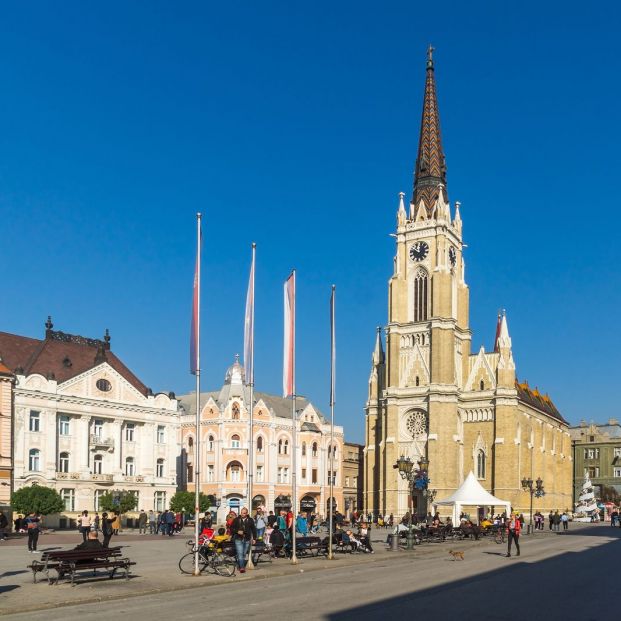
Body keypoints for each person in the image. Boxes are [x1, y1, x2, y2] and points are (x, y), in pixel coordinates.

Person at [231, 507, 256, 573]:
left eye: (244, 513)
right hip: (238, 539)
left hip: (247, 539)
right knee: (240, 553)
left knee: (244, 554)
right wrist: (237, 531)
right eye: (242, 513)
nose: (242, 514)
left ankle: (239, 561)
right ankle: (242, 567)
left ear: (246, 513)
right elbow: (231, 528)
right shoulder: (236, 519)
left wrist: (254, 538)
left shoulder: (250, 520)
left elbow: (253, 529)